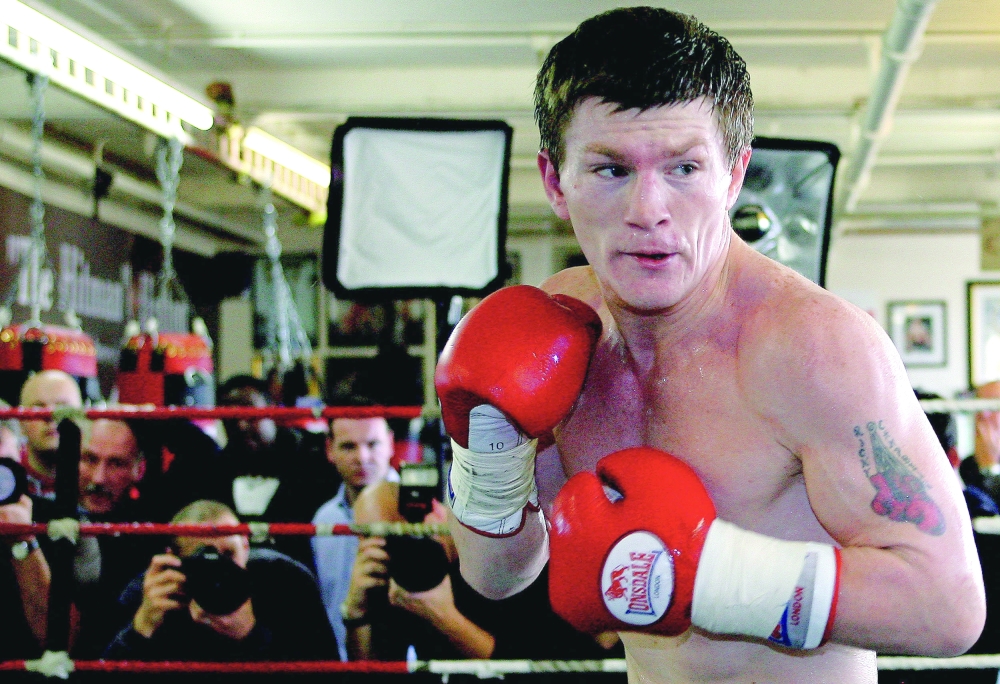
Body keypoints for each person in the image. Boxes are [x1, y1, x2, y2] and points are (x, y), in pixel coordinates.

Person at [436, 7, 985, 683]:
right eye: (610, 169)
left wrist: (711, 576)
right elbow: (496, 578)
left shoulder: (811, 347)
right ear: (555, 181)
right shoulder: (556, 328)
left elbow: (949, 607)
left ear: (733, 176)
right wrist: (487, 452)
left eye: (684, 168)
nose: (648, 209)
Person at [105, 499, 337, 661]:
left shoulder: (287, 582)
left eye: (228, 554)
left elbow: (326, 672)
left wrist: (252, 636)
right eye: (202, 556)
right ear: (174, 558)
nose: (218, 568)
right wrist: (142, 627)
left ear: (246, 546)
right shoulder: (151, 592)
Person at [311, 415, 396, 660]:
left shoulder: (422, 514)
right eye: (349, 446)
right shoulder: (323, 519)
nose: (362, 457)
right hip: (335, 665)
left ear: (390, 444)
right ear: (330, 449)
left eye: (372, 444)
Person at [18, 370, 83, 499]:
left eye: (64, 409)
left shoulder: (100, 477)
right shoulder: (6, 477)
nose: (51, 417)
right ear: (21, 421)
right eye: (38, 408)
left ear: (83, 417)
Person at [959, 380, 1000, 505]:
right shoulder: (968, 466)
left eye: (992, 407)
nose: (983, 414)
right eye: (978, 406)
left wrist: (990, 467)